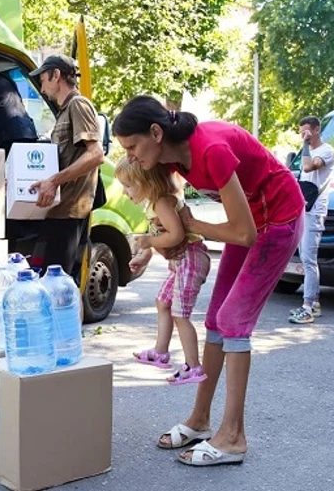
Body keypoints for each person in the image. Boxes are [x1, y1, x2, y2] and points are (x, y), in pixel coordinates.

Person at [113, 95, 304, 466]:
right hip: (251, 222)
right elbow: (164, 211)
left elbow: (244, 234)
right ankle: (200, 419)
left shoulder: (210, 149)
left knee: (233, 322)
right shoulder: (170, 158)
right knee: (215, 319)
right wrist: (155, 247)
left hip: (278, 220)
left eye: (133, 147)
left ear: (156, 132)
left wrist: (193, 227)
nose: (131, 156)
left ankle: (233, 437)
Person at [114, 157, 210, 385]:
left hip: (191, 259)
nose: (125, 192)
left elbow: (175, 235)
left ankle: (193, 366)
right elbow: (159, 237)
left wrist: (147, 241)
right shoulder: (153, 204)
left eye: (128, 185)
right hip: (181, 262)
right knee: (162, 301)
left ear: (147, 181)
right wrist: (143, 255)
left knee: (180, 313)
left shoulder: (162, 203)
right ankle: (160, 352)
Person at [27, 55, 104, 280]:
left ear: (56, 75)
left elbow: (96, 154)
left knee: (60, 288)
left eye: (43, 80)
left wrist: (54, 181)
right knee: (56, 286)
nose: (41, 88)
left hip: (70, 213)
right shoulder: (64, 111)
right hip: (59, 212)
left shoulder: (78, 104)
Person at [289, 116, 334, 324]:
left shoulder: (327, 151)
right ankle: (314, 303)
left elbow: (309, 168)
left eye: (306, 131)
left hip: (315, 211)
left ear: (316, 130)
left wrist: (306, 145)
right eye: (301, 132)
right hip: (303, 209)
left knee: (309, 260)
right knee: (304, 256)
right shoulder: (308, 150)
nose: (303, 135)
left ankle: (307, 307)